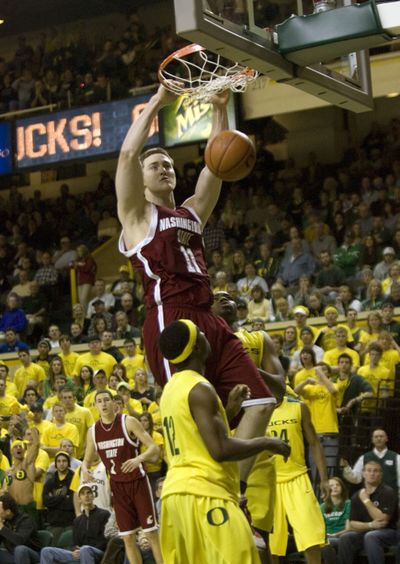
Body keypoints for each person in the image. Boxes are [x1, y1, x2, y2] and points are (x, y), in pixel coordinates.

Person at [115, 82, 277, 484]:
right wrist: (157, 102)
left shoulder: (189, 213)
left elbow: (216, 168)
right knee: (189, 414)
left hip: (209, 318)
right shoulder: (137, 217)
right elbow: (127, 154)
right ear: (142, 178)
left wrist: (220, 111)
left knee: (261, 402)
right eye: (156, 166)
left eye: (169, 163)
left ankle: (231, 489)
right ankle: (194, 484)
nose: (165, 168)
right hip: (172, 320)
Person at [158, 319, 290, 564]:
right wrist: (267, 443)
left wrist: (229, 410)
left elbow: (196, 439)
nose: (207, 334)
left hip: (174, 497)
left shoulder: (171, 388)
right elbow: (219, 450)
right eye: (201, 333)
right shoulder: (200, 389)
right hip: (204, 493)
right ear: (198, 347)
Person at [81, 389, 163, 564]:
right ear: (95, 406)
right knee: (127, 538)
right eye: (99, 401)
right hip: (118, 487)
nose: (103, 403)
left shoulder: (128, 422)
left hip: (138, 482)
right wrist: (85, 469)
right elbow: (86, 460)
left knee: (151, 533)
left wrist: (138, 459)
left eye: (106, 400)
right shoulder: (93, 431)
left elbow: (154, 448)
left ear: (113, 403)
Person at [267, 395, 328, 563]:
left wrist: (324, 479)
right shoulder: (257, 410)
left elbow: (315, 442)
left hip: (297, 476)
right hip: (269, 481)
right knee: (271, 544)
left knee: (311, 537)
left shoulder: (298, 406)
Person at [337, 461, 398, 564]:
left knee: (371, 536)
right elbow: (352, 524)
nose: (372, 473)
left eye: (375, 471)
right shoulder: (356, 495)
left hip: (389, 532)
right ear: (363, 474)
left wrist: (366, 501)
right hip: (366, 531)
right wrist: (370, 525)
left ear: (380, 475)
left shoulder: (388, 492)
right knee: (346, 537)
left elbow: (382, 521)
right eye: (369, 471)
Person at [40, 484, 110, 564]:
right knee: (46, 551)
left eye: (89, 493)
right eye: (83, 494)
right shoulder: (77, 521)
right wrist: (75, 551)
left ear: (93, 496)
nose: (86, 496)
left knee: (85, 549)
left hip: (99, 552)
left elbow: (106, 540)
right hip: (81, 553)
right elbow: (75, 543)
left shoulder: (104, 514)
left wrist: (83, 550)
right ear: (79, 499)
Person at [340, 428, 400, 494]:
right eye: (376, 437)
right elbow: (356, 478)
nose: (379, 438)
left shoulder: (396, 457)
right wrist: (346, 468)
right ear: (372, 440)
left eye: (381, 436)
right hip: (369, 496)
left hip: (391, 497)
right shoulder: (364, 457)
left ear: (386, 439)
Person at [42, 450, 75, 544]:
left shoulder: (74, 479)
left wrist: (53, 500)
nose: (61, 464)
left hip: (70, 522)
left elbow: (72, 503)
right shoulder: (50, 481)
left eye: (64, 461)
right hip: (54, 523)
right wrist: (63, 497)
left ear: (68, 463)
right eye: (59, 461)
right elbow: (45, 501)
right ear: (55, 464)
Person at [0, 492, 42, 564]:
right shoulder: (4, 521)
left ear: (8, 511)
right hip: (12, 555)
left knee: (20, 550)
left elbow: (20, 541)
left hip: (31, 555)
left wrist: (2, 527)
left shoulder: (26, 520)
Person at [320, 477, 351, 564]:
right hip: (327, 538)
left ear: (342, 488)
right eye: (331, 485)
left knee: (329, 544)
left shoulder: (348, 503)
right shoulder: (322, 507)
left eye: (338, 485)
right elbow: (320, 527)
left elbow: (349, 528)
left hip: (343, 537)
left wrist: (334, 535)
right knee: (324, 545)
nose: (335, 487)